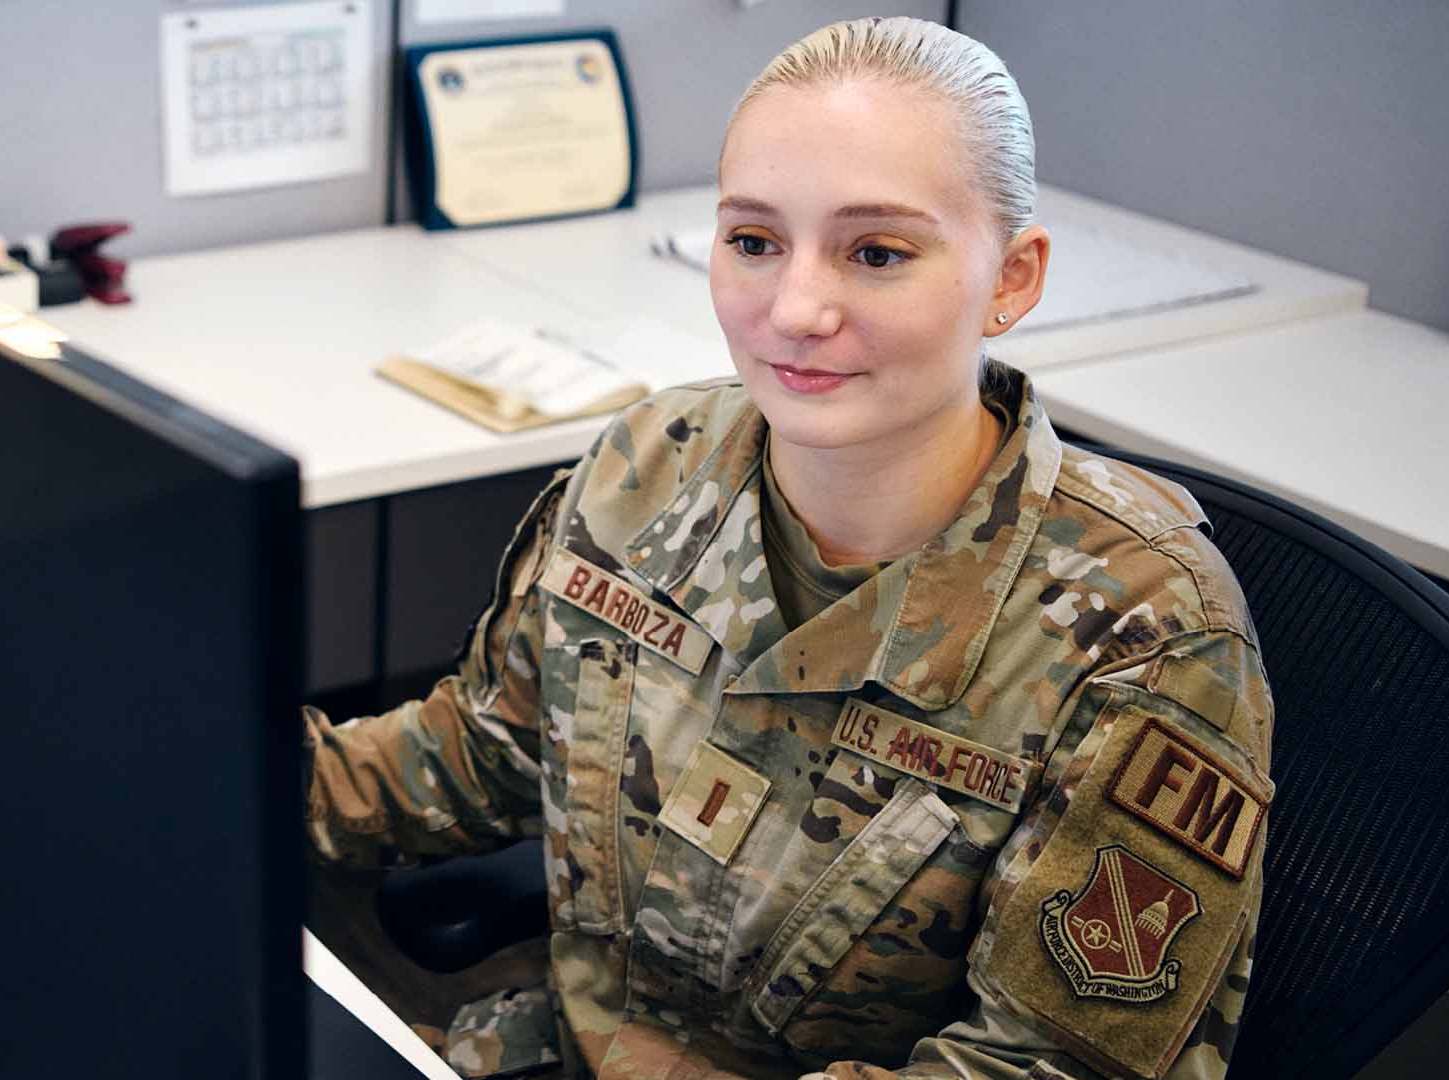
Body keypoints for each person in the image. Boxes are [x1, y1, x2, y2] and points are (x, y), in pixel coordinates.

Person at [305, 16, 1272, 1080]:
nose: (795, 309)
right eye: (754, 241)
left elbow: (1045, 1066)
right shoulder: (652, 462)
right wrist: (193, 775)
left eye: (876, 253)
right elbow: (488, 749)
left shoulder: (1145, 636)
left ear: (1013, 278)